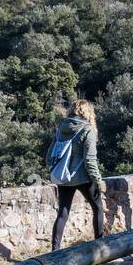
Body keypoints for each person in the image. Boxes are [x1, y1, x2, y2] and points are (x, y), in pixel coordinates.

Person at [47, 99, 105, 251]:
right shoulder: (87, 129)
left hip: (63, 177)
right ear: (88, 112)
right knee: (98, 207)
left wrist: (55, 170)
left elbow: (49, 156)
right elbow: (90, 160)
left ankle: (55, 250)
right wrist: (98, 181)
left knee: (63, 213)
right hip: (84, 178)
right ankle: (99, 245)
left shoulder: (61, 128)